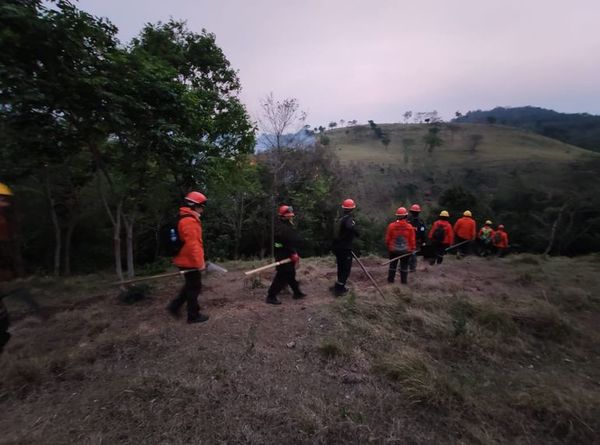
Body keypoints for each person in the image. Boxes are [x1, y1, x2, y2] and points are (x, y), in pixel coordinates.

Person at [167, 191, 210, 324]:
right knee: (194, 287)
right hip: (189, 260)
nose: (202, 210)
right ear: (194, 206)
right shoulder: (189, 221)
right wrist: (200, 264)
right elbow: (193, 246)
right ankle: (193, 315)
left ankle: (175, 306)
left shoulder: (183, 217)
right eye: (201, 206)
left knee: (190, 285)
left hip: (183, 259)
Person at [265, 205, 306, 305]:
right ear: (284, 216)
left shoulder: (286, 225)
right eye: (289, 215)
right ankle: (271, 296)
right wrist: (292, 253)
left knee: (291, 274)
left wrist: (293, 252)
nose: (291, 217)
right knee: (281, 275)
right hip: (283, 255)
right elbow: (283, 243)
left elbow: (290, 242)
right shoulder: (281, 228)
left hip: (287, 253)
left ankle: (297, 293)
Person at [331, 198, 359, 296]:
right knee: (346, 269)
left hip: (338, 247)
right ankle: (339, 289)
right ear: (352, 209)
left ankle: (339, 285)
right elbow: (350, 227)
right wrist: (356, 231)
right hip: (345, 248)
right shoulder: (349, 219)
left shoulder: (340, 218)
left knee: (341, 267)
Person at [385, 207, 416, 284]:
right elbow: (412, 240)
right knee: (404, 267)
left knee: (392, 266)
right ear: (406, 216)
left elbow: (387, 239)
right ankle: (404, 282)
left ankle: (390, 281)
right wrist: (412, 249)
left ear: (397, 216)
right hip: (405, 251)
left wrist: (389, 247)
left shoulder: (391, 226)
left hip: (393, 250)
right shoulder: (409, 227)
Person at [407, 203, 427, 272]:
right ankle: (412, 268)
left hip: (409, 240)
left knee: (407, 254)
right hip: (415, 240)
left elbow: (423, 231)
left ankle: (406, 267)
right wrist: (423, 241)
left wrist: (423, 241)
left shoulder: (407, 219)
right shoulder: (420, 221)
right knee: (413, 254)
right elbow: (423, 231)